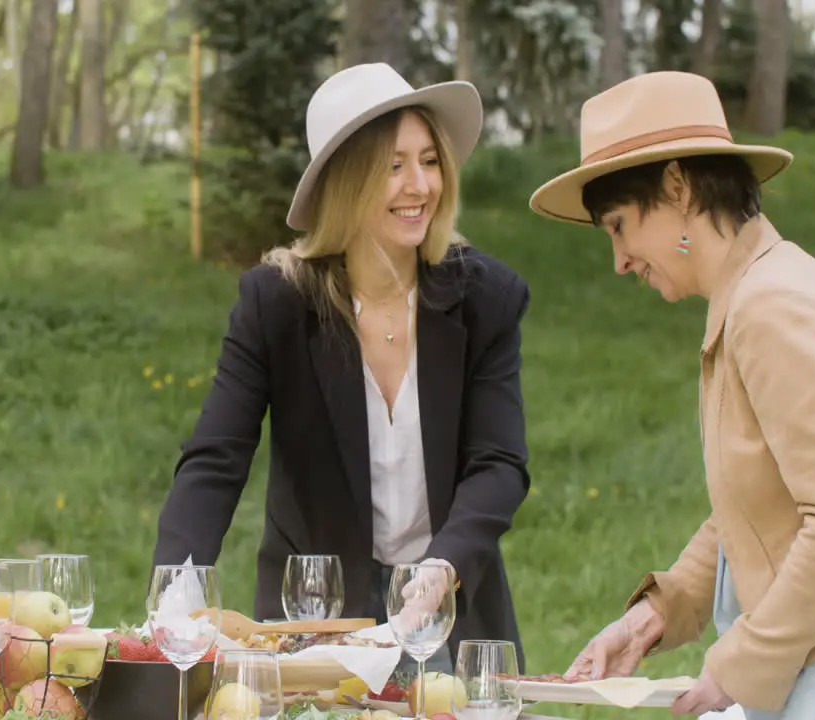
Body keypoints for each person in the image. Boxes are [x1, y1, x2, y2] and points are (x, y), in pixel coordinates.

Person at [527, 70, 815, 719]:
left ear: (677, 188)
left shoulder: (772, 307)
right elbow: (765, 502)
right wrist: (655, 615)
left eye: (620, 226)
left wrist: (737, 668)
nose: (619, 260)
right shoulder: (758, 293)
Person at [151, 62, 532, 673]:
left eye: (429, 160)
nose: (420, 186)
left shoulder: (486, 298)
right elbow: (216, 458)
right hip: (312, 622)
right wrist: (177, 588)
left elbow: (500, 463)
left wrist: (442, 567)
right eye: (393, 165)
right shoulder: (276, 303)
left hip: (452, 620)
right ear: (345, 183)